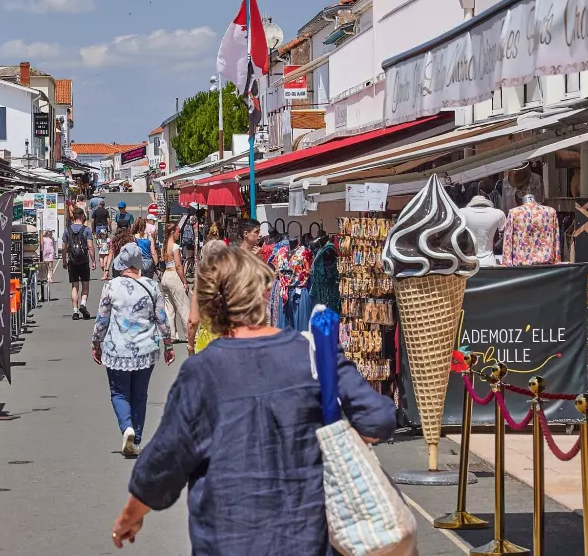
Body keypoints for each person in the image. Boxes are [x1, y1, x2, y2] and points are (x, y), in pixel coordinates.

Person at [111, 247, 397, 553]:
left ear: (209, 305)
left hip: (228, 540)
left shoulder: (201, 372)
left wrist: (131, 516)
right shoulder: (314, 354)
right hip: (307, 539)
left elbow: (164, 461)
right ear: (263, 291)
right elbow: (377, 419)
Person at [93, 243, 175, 458]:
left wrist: (96, 343)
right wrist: (168, 345)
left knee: (119, 392)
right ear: (139, 264)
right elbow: (162, 319)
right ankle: (136, 439)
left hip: (116, 348)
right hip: (145, 348)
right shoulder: (151, 285)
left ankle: (126, 428)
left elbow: (102, 319)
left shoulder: (111, 286)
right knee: (140, 395)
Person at [61, 208, 96, 320]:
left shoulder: (67, 230)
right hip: (84, 261)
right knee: (85, 285)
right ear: (81, 216)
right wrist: (94, 260)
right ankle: (83, 304)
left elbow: (63, 247)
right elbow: (90, 246)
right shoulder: (87, 230)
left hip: (72, 261)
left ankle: (75, 312)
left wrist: (64, 261)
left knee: (74, 286)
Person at [159, 223, 190, 343]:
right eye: (177, 232)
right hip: (174, 275)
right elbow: (178, 265)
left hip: (166, 274)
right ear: (173, 232)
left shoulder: (165, 245)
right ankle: (190, 334)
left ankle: (171, 334)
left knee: (169, 308)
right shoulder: (175, 246)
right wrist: (184, 281)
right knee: (183, 306)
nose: (179, 234)